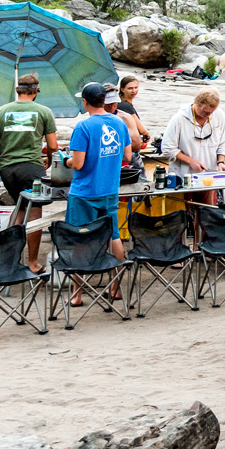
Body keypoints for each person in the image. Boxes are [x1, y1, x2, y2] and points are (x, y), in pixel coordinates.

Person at [64, 82, 133, 304]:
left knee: (81, 240)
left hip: (85, 192)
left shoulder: (83, 127)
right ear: (105, 100)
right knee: (114, 236)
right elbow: (128, 157)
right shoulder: (119, 123)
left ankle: (77, 293)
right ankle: (115, 287)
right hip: (109, 189)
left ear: (85, 102)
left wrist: (65, 160)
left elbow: (78, 163)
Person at [0, 73, 58, 270]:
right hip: (31, 168)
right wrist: (49, 160)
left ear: (18, 90)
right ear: (35, 91)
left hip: (7, 169)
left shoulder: (1, 111)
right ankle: (32, 262)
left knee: (19, 210)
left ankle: (11, 260)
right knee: (34, 213)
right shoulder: (44, 111)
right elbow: (53, 145)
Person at [163, 89, 225, 176]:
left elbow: (224, 141)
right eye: (205, 112)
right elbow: (168, 148)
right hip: (184, 175)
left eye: (211, 112)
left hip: (210, 174)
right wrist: (191, 161)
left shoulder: (219, 114)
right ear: (197, 104)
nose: (208, 115)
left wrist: (221, 162)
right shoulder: (178, 119)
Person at [115, 76, 152, 150]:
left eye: (136, 87)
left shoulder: (120, 103)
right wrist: (146, 135)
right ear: (122, 89)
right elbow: (141, 130)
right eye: (130, 88)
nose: (134, 91)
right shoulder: (125, 105)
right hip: (127, 145)